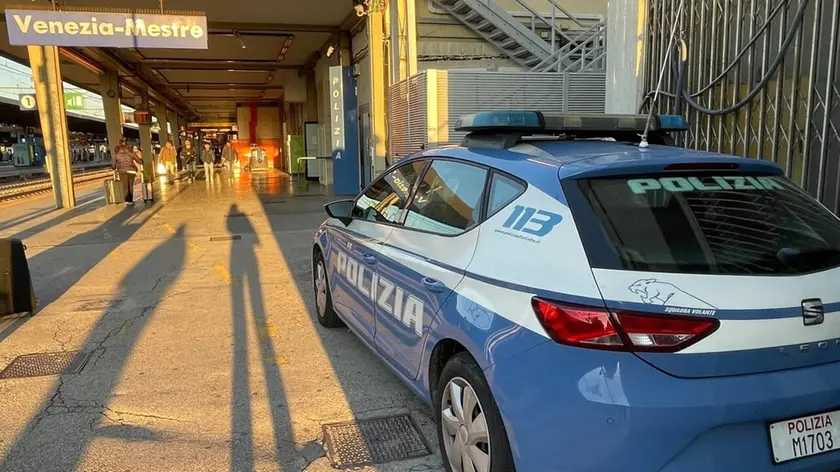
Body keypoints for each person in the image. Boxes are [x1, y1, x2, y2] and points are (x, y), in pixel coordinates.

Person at [111, 138, 142, 205]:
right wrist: (142, 160)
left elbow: (113, 166)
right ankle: (130, 200)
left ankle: (126, 201)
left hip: (122, 171)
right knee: (130, 185)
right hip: (131, 170)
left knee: (125, 186)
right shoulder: (131, 152)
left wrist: (115, 167)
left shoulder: (116, 154)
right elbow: (139, 161)